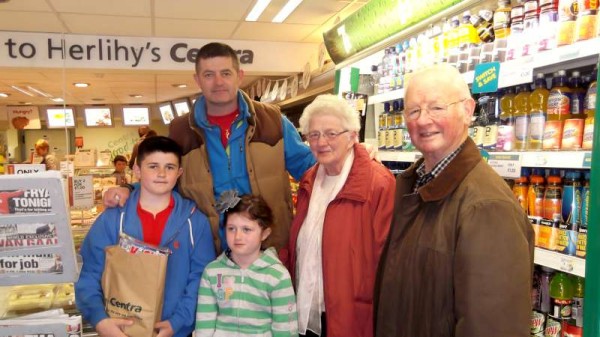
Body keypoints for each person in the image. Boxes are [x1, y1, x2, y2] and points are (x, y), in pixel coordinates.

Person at [105, 42, 316, 258]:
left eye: (226, 73)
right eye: (208, 75)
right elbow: (162, 176)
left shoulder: (272, 121)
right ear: (197, 80)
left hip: (271, 252)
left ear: (239, 75)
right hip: (210, 258)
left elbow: (312, 171)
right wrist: (130, 190)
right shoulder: (181, 131)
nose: (218, 82)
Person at [373, 64, 534, 337]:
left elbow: (493, 328)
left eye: (437, 108)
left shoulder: (487, 206)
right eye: (413, 111)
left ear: (468, 111)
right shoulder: (414, 187)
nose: (423, 120)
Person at [75, 136, 216, 337]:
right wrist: (100, 320)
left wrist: (178, 323)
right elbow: (89, 273)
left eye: (169, 167)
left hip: (173, 329)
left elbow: (201, 278)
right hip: (119, 329)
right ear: (138, 171)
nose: (161, 174)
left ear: (179, 173)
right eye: (152, 166)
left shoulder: (195, 221)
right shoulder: (113, 219)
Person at [287, 95, 395, 337]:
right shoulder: (309, 180)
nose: (321, 141)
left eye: (331, 133)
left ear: (352, 136)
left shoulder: (378, 183)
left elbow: (387, 259)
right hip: (308, 311)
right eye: (313, 135)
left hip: (351, 315)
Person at [196, 193, 298, 336]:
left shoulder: (277, 276)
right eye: (231, 228)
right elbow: (204, 324)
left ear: (264, 233)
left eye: (246, 229)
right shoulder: (212, 272)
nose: (238, 236)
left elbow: (285, 328)